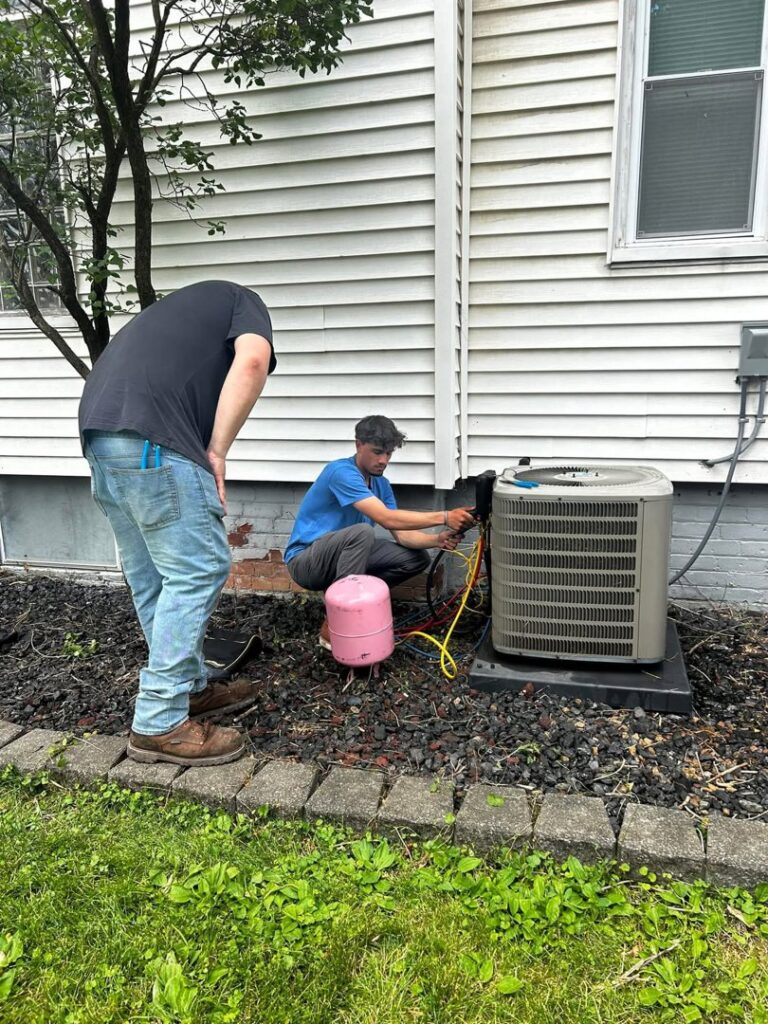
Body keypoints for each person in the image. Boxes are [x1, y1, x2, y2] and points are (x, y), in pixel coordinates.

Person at [78, 280, 276, 766]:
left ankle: (187, 688)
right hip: (153, 441)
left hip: (102, 441)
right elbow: (251, 361)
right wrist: (216, 451)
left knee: (152, 578)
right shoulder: (242, 302)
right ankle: (160, 721)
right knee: (198, 568)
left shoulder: (172, 316)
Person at [283, 415, 475, 647]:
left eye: (388, 454)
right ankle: (339, 621)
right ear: (358, 445)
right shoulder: (340, 472)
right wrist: (445, 516)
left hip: (343, 557)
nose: (383, 460)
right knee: (363, 532)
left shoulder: (380, 484)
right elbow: (385, 517)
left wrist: (436, 539)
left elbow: (401, 533)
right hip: (306, 561)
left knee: (415, 559)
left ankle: (361, 602)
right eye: (377, 452)